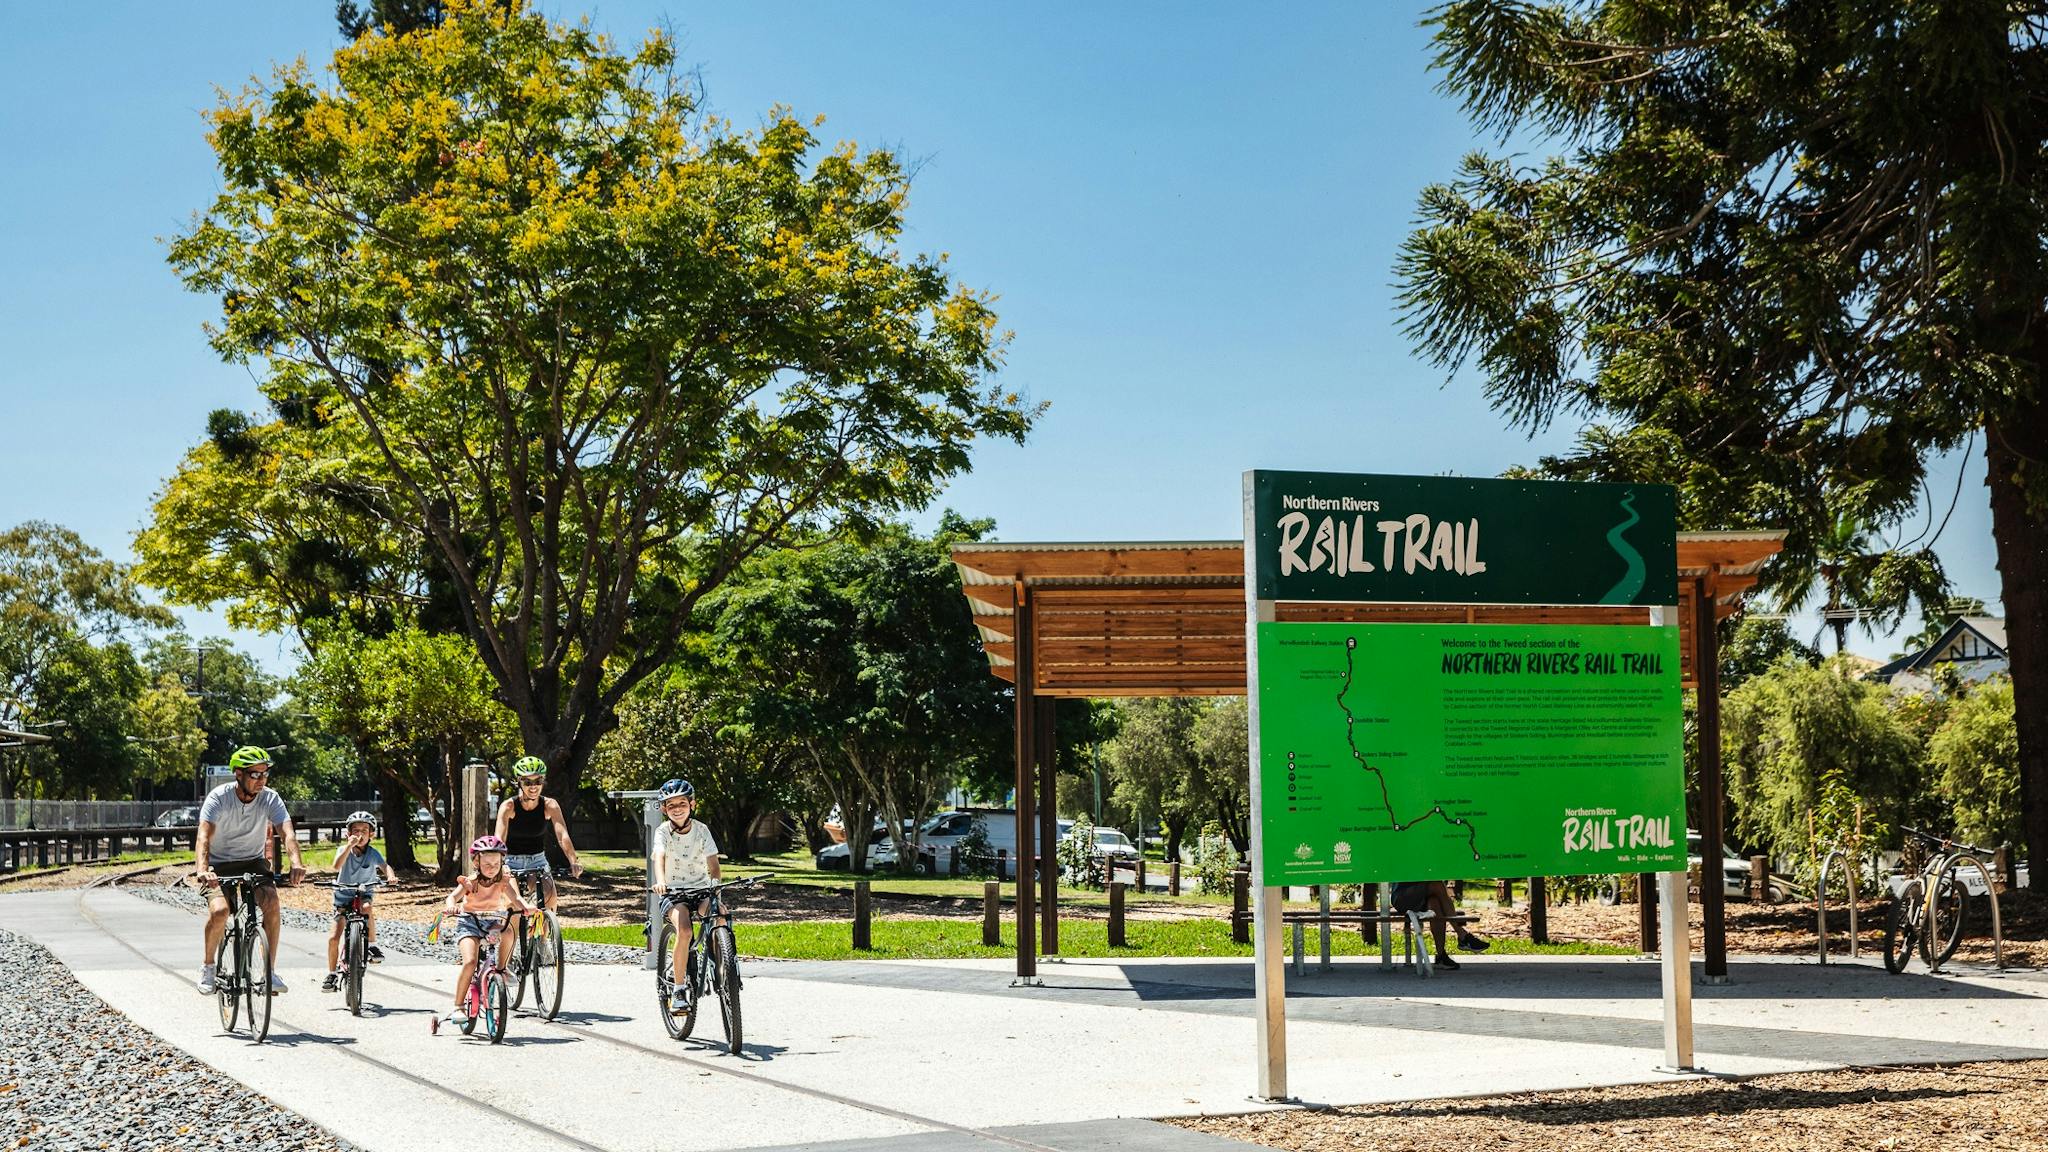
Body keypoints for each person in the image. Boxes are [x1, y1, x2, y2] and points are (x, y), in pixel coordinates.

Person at [195, 746, 304, 995]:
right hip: (218, 865)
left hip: (253, 861)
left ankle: (269, 972)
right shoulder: (219, 798)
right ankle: (208, 966)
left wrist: (296, 862)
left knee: (273, 904)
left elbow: (287, 833)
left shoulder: (270, 798)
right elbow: (203, 836)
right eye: (254, 775)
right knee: (221, 912)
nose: (261, 781)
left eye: (264, 775)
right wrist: (203, 869)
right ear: (238, 774)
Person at [439, 834, 536, 1028]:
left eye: (496, 864)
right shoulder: (471, 881)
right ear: (477, 862)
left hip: (492, 921)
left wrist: (526, 906)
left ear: (502, 862)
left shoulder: (503, 881)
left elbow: (515, 898)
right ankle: (458, 1006)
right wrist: (451, 907)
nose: (492, 869)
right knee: (470, 962)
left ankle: (501, 968)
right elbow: (452, 897)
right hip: (470, 922)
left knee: (509, 931)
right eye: (487, 865)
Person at [492, 755, 583, 956]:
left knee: (550, 899)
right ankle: (510, 952)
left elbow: (562, 835)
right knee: (514, 907)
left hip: (537, 859)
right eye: (528, 781)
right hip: (512, 862)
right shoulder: (509, 806)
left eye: (538, 781)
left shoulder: (549, 805)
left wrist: (573, 861)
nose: (533, 786)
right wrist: (500, 865)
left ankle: (542, 940)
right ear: (519, 782)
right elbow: (499, 840)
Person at [649, 778, 720, 1012]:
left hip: (701, 888)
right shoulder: (662, 832)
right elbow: (659, 857)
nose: (677, 809)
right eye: (671, 805)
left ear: (692, 805)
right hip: (674, 892)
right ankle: (679, 989)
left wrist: (716, 884)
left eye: (682, 803)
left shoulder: (702, 830)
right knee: (686, 931)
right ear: (663, 809)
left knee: (719, 914)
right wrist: (660, 882)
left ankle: (724, 963)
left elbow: (713, 862)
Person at [322, 811, 397, 992]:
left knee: (367, 907)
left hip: (364, 892)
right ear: (348, 834)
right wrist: (348, 847)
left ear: (372, 834)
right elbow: (336, 866)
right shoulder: (343, 850)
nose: (360, 834)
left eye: (365, 830)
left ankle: (371, 946)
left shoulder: (373, 853)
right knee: (334, 937)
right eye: (356, 830)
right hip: (343, 896)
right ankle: (332, 973)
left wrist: (391, 876)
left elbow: (384, 866)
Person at [1390, 880, 1490, 970]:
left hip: (1422, 895)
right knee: (1437, 885)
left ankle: (1441, 956)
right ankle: (1462, 935)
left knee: (1435, 903)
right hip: (1402, 896)